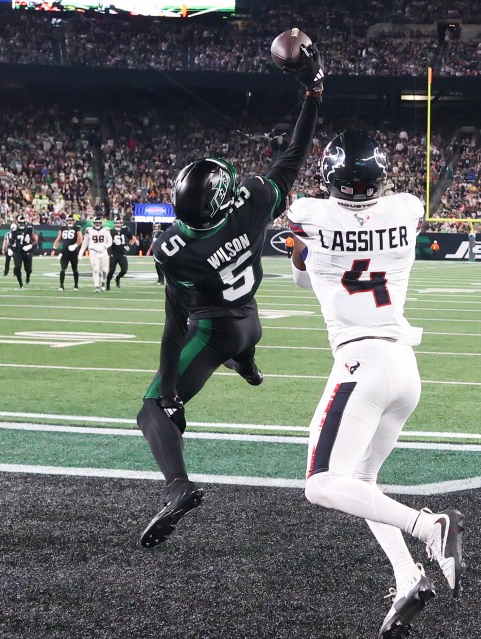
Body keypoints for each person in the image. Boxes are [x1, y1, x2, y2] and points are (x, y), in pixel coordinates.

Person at [136, 40, 323, 549]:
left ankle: (177, 487)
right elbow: (293, 158)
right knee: (237, 337)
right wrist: (313, 93)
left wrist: (170, 390)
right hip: (250, 321)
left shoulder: (175, 248)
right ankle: (248, 361)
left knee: (151, 410)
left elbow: (175, 324)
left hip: (214, 329)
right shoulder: (254, 202)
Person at [286, 131, 465, 639]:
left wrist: (302, 251)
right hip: (405, 368)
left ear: (330, 178)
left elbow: (304, 266)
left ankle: (430, 527)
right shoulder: (407, 209)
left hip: (360, 362)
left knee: (321, 483)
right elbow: (320, 262)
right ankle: (408, 578)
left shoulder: (308, 213)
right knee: (362, 484)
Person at [51, 216, 83, 291]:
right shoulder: (63, 228)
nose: (69, 222)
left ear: (73, 221)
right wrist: (54, 248)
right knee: (63, 268)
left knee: (75, 269)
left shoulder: (77, 227)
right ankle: (61, 285)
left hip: (73, 251)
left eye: (71, 220)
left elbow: (80, 238)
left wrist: (75, 245)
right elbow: (58, 238)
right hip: (64, 251)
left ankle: (76, 285)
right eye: (68, 220)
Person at [81, 217, 113, 292]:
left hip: (103, 251)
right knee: (95, 269)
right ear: (93, 223)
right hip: (93, 251)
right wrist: (81, 252)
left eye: (99, 223)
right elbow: (85, 242)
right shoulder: (89, 230)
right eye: (96, 223)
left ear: (101, 223)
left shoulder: (106, 230)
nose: (97, 224)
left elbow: (110, 242)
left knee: (104, 270)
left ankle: (103, 282)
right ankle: (96, 286)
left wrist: (105, 246)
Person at [107, 220, 133, 290]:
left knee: (124, 270)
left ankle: (117, 278)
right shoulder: (110, 231)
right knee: (111, 271)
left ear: (122, 223)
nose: (118, 224)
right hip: (113, 253)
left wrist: (129, 246)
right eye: (117, 222)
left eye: (119, 222)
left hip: (122, 254)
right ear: (114, 223)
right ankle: (107, 284)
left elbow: (133, 238)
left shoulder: (125, 230)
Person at [11, 217, 35, 288]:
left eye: (22, 223)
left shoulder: (29, 229)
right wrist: (9, 248)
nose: (21, 225)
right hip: (18, 251)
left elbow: (36, 239)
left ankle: (28, 276)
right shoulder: (14, 231)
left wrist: (30, 245)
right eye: (20, 223)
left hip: (27, 251)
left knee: (28, 269)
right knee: (17, 267)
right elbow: (11, 241)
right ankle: (20, 283)